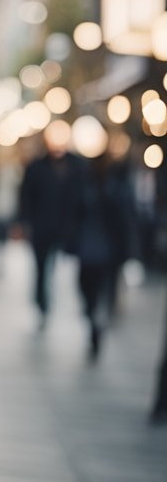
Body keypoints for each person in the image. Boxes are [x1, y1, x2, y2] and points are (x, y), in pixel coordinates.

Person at [16, 131, 85, 324]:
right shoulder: (36, 168)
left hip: (64, 227)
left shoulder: (75, 167)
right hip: (41, 227)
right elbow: (26, 198)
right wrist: (24, 222)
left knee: (56, 266)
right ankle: (41, 301)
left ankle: (48, 299)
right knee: (41, 266)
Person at [73, 150, 136, 357]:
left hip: (107, 250)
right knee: (85, 289)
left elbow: (125, 220)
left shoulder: (116, 187)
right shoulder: (84, 184)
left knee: (102, 292)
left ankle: (97, 322)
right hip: (88, 248)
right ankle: (93, 317)